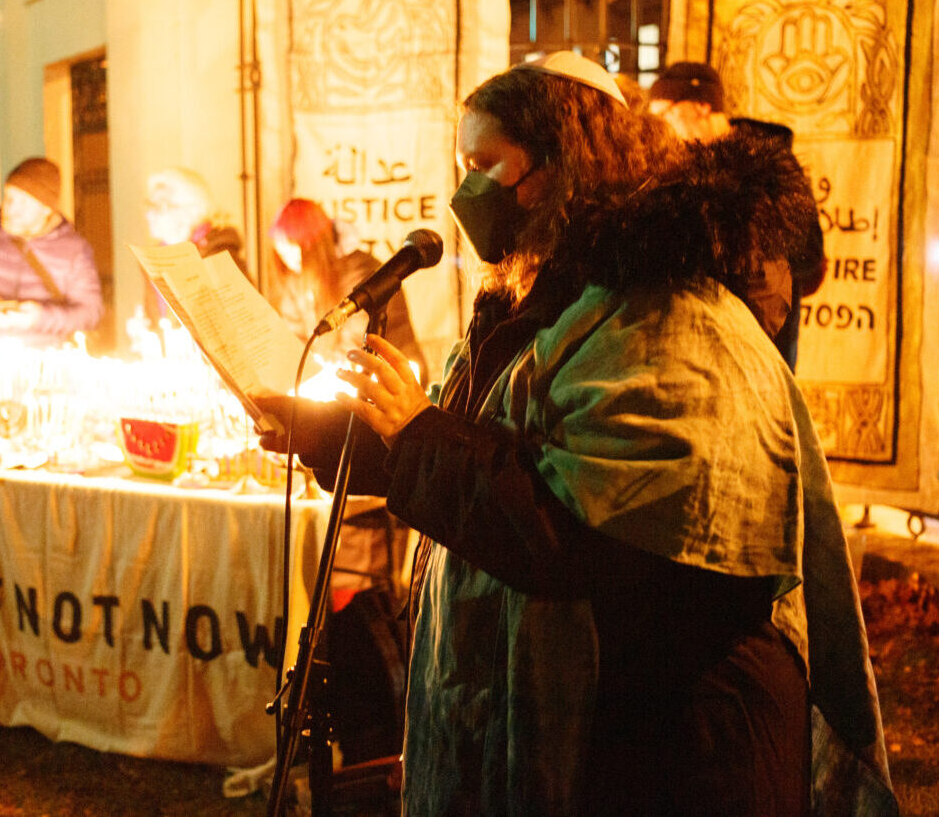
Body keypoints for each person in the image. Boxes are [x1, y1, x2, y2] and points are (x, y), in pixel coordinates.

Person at [258, 51, 895, 814]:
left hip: (676, 746)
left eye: (484, 163)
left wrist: (420, 435)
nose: (467, 188)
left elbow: (571, 528)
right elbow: (478, 444)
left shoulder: (664, 309)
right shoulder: (537, 295)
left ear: (560, 161)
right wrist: (323, 435)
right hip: (595, 728)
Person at [647, 60, 827, 370]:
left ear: (702, 106)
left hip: (762, 354)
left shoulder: (768, 166)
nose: (663, 128)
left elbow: (808, 254)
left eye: (666, 114)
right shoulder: (674, 170)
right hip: (695, 353)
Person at [0, 157, 103, 343]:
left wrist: (39, 317)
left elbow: (89, 312)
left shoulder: (74, 251)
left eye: (23, 203)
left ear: (46, 209)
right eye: (9, 198)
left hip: (43, 364)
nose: (10, 209)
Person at [266, 197, 426, 378]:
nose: (286, 257)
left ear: (311, 244)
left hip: (395, 377)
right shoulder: (296, 279)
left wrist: (319, 376)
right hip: (349, 378)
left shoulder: (363, 273)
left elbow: (357, 345)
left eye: (290, 246)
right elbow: (294, 339)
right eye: (280, 249)